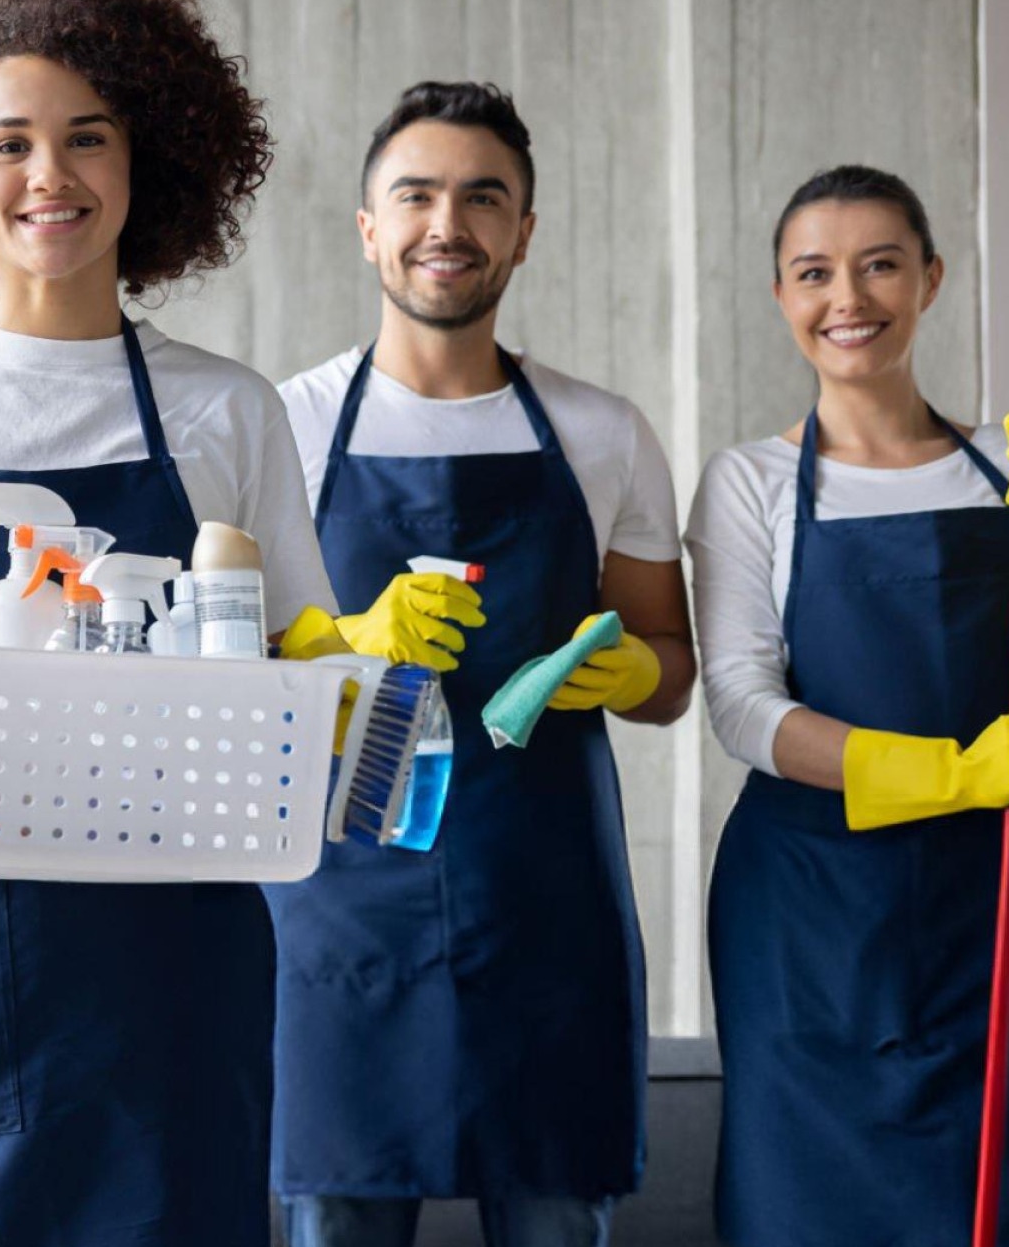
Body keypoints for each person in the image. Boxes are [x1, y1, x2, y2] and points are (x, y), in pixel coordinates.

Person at [0, 0, 477, 1247]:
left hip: (162, 975)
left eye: (88, 137)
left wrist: (366, 652)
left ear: (148, 161)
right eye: (8, 143)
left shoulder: (224, 408)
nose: (49, 176)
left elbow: (301, 681)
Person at [266, 82, 696, 1247]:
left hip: (544, 907)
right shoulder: (286, 426)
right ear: (369, 227)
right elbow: (230, 665)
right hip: (342, 909)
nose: (445, 224)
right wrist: (349, 638)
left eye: (481, 197)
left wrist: (630, 673)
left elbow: (670, 669)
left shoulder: (603, 432)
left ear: (523, 230)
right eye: (415, 195)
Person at [687, 164, 1009, 1246]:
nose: (848, 297)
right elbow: (741, 706)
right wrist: (948, 772)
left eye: (879, 264)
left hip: (996, 892)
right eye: (813, 273)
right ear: (780, 296)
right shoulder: (747, 483)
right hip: (811, 913)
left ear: (929, 279)